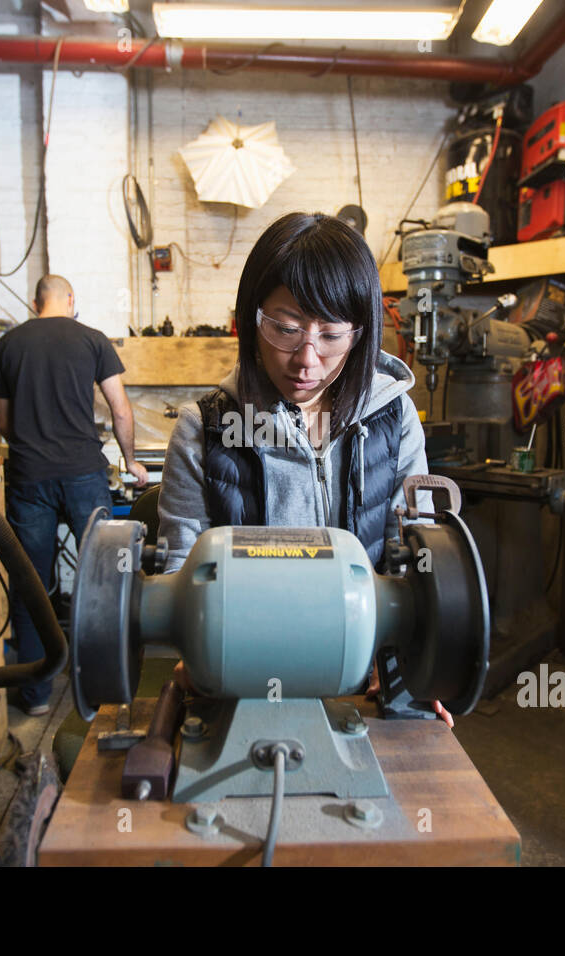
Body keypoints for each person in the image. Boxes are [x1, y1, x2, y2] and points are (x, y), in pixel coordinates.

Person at [156, 213, 451, 724]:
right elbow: (180, 574)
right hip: (238, 672)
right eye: (286, 329)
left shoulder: (393, 417)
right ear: (251, 320)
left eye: (332, 334)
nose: (307, 359)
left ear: (360, 333)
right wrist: (197, 652)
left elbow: (419, 552)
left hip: (362, 677)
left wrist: (405, 662)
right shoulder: (202, 429)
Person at [0, 274, 149, 715]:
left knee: (31, 584)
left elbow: (1, 423)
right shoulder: (92, 339)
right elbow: (120, 407)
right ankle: (105, 689)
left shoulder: (7, 345)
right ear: (70, 300)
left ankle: (36, 694)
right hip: (83, 474)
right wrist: (131, 462)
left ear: (35, 301)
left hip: (28, 476)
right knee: (105, 582)